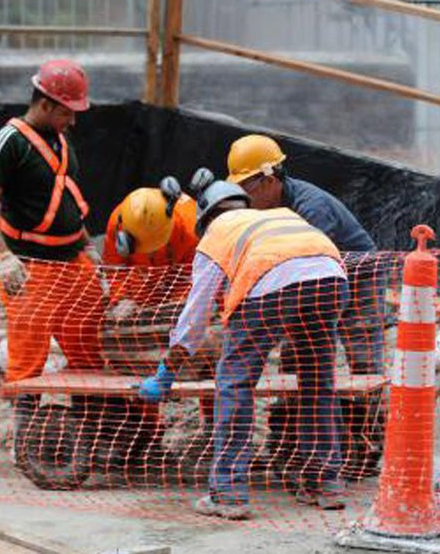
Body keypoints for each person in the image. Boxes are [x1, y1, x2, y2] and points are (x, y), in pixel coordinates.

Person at [138, 175, 349, 519]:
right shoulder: (281, 215)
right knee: (318, 384)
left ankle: (228, 493)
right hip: (330, 279)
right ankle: (325, 483)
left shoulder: (217, 236)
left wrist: (166, 373)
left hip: (270, 285)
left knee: (235, 385)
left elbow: (197, 314)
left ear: (205, 219)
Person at [0, 60, 105, 449]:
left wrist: (85, 246)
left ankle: (91, 434)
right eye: (68, 112)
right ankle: (27, 444)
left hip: (71, 261)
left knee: (87, 346)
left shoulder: (60, 142)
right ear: (46, 104)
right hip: (30, 266)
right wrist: (2, 256)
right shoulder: (10, 140)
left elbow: (63, 200)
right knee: (28, 354)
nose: (73, 121)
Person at [223, 134, 382, 375]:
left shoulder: (311, 208)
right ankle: (288, 410)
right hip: (317, 277)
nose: (244, 198)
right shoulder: (264, 207)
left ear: (269, 180)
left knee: (363, 353)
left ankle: (365, 412)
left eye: (246, 188)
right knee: (296, 352)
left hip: (360, 274)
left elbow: (303, 265)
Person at [102, 176, 199, 305]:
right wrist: (121, 298)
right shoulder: (118, 223)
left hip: (177, 273)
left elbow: (191, 276)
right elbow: (115, 269)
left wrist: (177, 305)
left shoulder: (191, 227)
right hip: (140, 277)